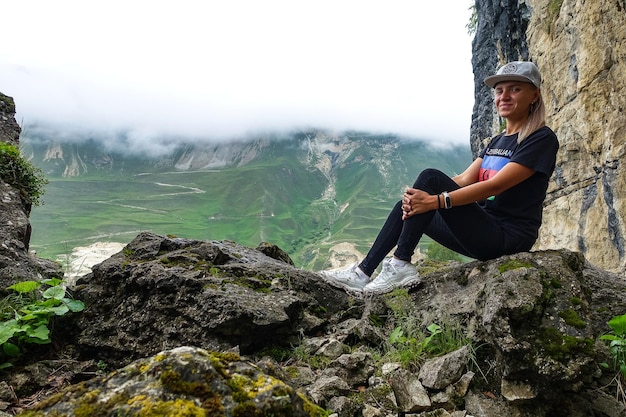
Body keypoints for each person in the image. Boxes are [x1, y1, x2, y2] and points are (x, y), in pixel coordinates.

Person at [321, 61, 559, 295]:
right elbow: (465, 179)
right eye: (499, 90)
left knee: (430, 178)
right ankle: (362, 273)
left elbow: (494, 185)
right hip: (482, 229)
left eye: (515, 89)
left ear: (534, 95)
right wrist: (418, 197)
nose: (504, 96)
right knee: (409, 203)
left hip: (507, 238)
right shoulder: (497, 141)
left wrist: (435, 200)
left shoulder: (540, 139)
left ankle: (401, 263)